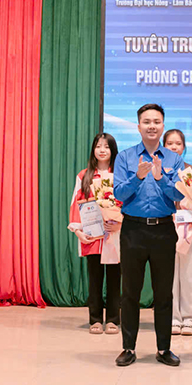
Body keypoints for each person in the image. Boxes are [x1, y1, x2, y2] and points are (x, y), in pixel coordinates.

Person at [113, 104, 185, 367]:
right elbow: (119, 193)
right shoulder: (125, 157)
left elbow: (180, 194)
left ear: (163, 126)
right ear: (138, 126)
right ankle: (128, 348)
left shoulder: (174, 159)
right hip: (133, 230)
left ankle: (164, 348)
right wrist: (138, 178)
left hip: (164, 230)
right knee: (130, 292)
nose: (151, 126)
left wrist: (161, 178)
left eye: (156, 121)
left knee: (163, 293)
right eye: (146, 121)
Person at [68, 133, 122, 335]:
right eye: (98, 146)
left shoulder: (120, 174)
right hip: (92, 236)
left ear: (112, 150)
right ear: (93, 150)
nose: (102, 150)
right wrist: (77, 231)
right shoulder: (84, 175)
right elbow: (76, 203)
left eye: (106, 147)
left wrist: (120, 222)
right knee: (95, 279)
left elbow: (127, 202)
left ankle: (113, 320)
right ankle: (96, 320)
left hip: (114, 234)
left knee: (115, 279)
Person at [163, 129, 192, 336]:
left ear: (184, 147)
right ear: (163, 146)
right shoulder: (156, 170)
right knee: (168, 275)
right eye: (170, 143)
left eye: (178, 143)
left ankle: (190, 319)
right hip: (165, 228)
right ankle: (172, 318)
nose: (174, 147)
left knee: (190, 274)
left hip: (190, 229)